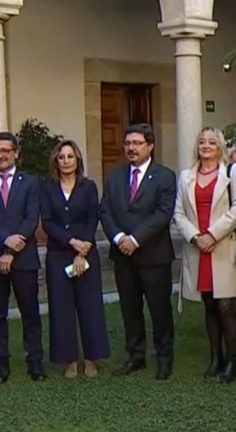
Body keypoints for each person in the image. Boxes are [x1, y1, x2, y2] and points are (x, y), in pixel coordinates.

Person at [100, 123, 177, 380]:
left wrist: (136, 238)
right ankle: (136, 356)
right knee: (129, 309)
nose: (131, 148)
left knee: (159, 309)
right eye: (128, 143)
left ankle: (164, 358)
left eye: (137, 143)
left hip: (154, 256)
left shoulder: (165, 176)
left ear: (150, 146)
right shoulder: (115, 175)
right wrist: (120, 237)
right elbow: (106, 211)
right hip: (123, 256)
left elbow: (162, 214)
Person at [173, 127, 236, 383]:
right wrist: (196, 237)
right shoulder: (185, 176)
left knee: (225, 305)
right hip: (198, 249)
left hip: (222, 246)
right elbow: (179, 213)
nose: (206, 146)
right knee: (208, 305)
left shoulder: (232, 172)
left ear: (220, 147)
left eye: (212, 142)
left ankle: (232, 360)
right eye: (202, 142)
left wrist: (212, 235)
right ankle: (215, 357)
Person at [0, 132, 46, 383]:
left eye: (5, 150)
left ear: (16, 153)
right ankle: (1, 363)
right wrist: (5, 242)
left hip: (24, 258)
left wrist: (12, 251)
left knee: (30, 312)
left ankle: (35, 361)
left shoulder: (31, 182)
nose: (0, 155)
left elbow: (31, 218)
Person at [40, 139, 111, 378]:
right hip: (59, 253)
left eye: (70, 156)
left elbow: (93, 217)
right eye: (61, 157)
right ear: (55, 161)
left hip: (86, 252)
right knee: (61, 308)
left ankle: (92, 358)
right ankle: (68, 360)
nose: (66, 161)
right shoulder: (48, 188)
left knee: (90, 307)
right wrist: (71, 242)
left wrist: (82, 251)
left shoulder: (88, 187)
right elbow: (48, 222)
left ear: (77, 160)